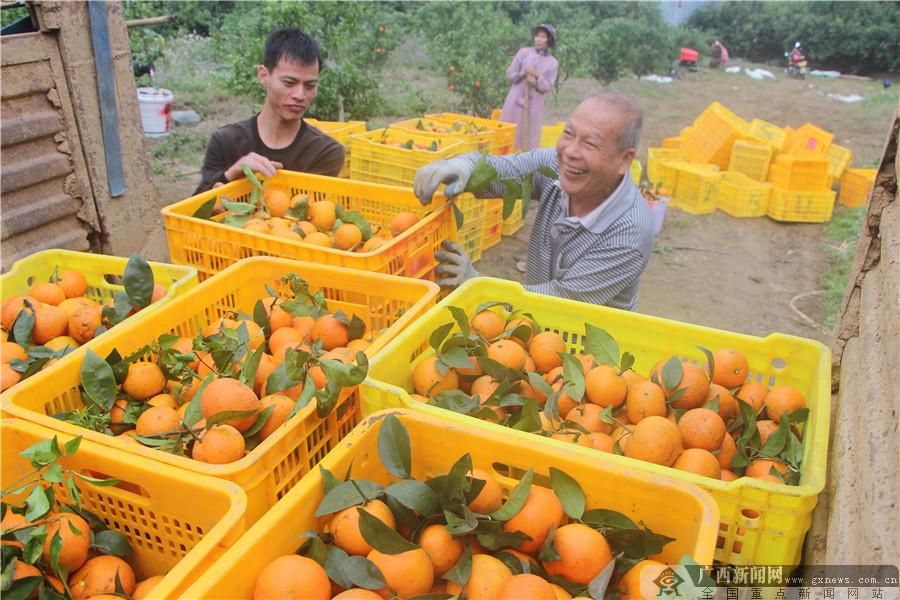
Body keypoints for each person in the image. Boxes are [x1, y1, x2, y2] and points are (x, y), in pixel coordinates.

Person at [415, 90, 655, 311]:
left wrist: (478, 284)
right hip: (531, 328)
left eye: (590, 144)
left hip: (585, 346)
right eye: (568, 134)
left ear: (625, 160)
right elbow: (503, 170)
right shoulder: (557, 166)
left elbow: (560, 303)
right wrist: (463, 167)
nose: (571, 151)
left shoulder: (629, 232)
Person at [195, 28, 344, 193]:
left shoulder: (325, 152)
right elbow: (193, 209)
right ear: (264, 75)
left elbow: (318, 213)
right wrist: (231, 174)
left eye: (310, 86)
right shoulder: (225, 141)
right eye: (289, 83)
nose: (300, 95)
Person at [499, 23, 559, 151]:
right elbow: (510, 75)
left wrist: (538, 78)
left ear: (549, 40)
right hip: (515, 101)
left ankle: (525, 164)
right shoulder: (523, 53)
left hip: (534, 105)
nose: (538, 39)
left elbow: (547, 87)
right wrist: (523, 73)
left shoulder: (552, 63)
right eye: (537, 36)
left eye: (543, 36)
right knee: (508, 133)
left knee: (528, 136)